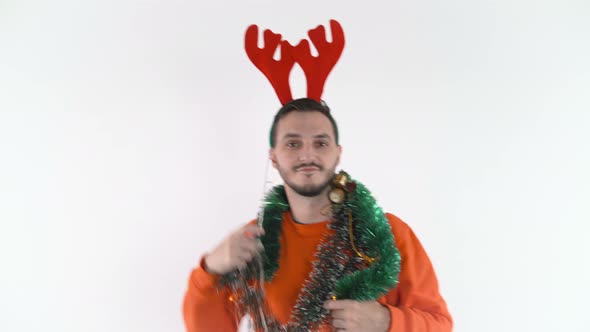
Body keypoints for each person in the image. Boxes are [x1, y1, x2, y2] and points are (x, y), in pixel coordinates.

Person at [182, 98, 453, 332]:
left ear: (338, 153)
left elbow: (440, 325)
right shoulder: (254, 242)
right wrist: (211, 269)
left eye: (321, 143)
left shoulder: (388, 234)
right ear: (273, 157)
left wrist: (386, 322)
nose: (308, 155)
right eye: (293, 144)